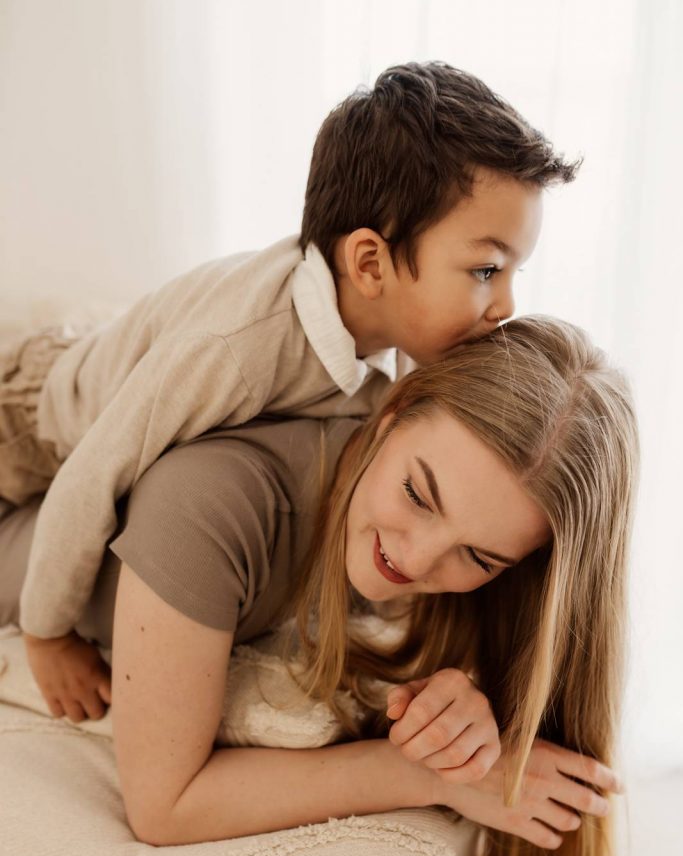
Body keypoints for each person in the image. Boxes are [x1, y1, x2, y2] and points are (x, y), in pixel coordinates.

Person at [0, 315, 638, 856]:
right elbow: (164, 806)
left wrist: (461, 701)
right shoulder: (214, 500)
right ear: (391, 411)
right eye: (418, 496)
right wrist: (429, 771)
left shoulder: (431, 540)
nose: (419, 559)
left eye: (478, 559)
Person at [0, 60, 579, 722]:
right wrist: (49, 635)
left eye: (512, 273)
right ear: (369, 263)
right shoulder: (232, 352)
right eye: (484, 270)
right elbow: (91, 473)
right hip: (31, 419)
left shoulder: (392, 335)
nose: (505, 305)